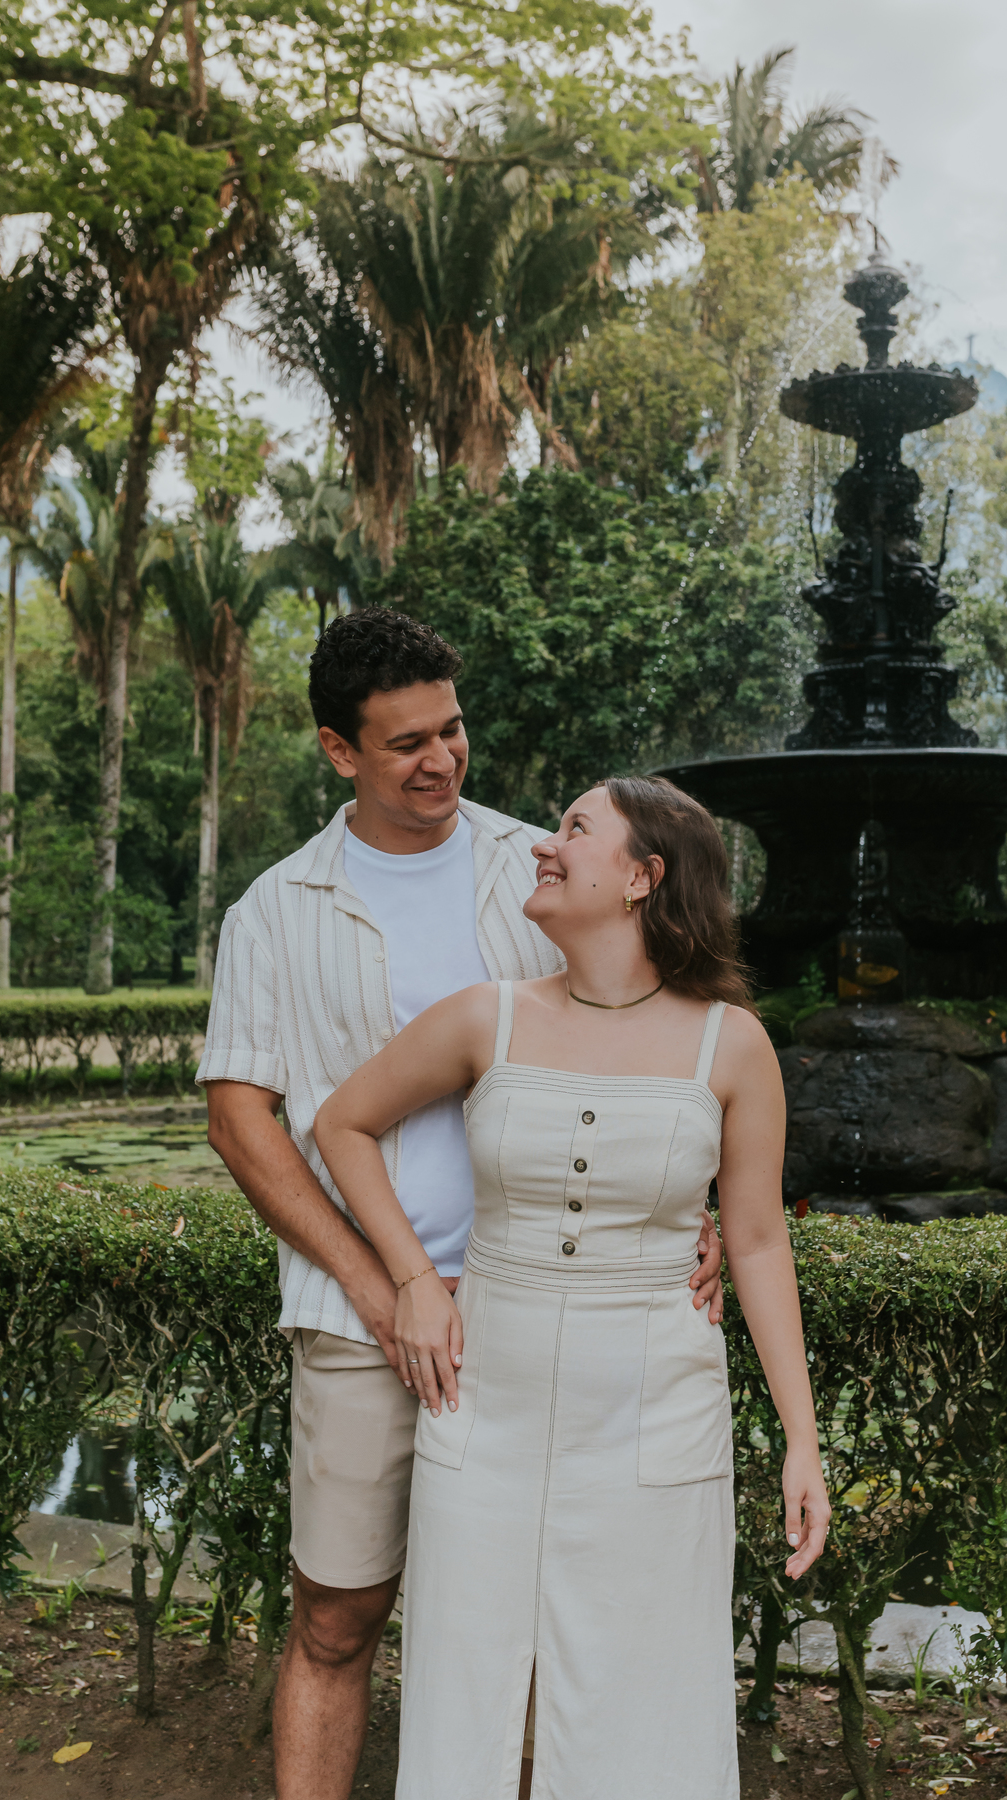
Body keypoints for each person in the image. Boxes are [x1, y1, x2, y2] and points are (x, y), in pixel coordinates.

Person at [197, 609, 724, 1800]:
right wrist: (388, 1292)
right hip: (356, 1320)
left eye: (454, 731)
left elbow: (662, 1027)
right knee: (337, 1619)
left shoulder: (532, 862)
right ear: (340, 752)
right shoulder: (274, 913)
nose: (440, 762)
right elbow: (244, 1122)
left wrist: (688, 1203)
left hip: (541, 1317)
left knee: (539, 1632)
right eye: (404, 746)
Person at [314, 774, 831, 1800]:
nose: (546, 847)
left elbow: (760, 1241)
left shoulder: (732, 1045)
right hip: (483, 1417)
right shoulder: (486, 1020)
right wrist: (414, 1276)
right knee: (461, 1699)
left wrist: (802, 1441)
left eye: (576, 830)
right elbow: (341, 1125)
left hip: (654, 1418)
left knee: (649, 1705)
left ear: (644, 877)